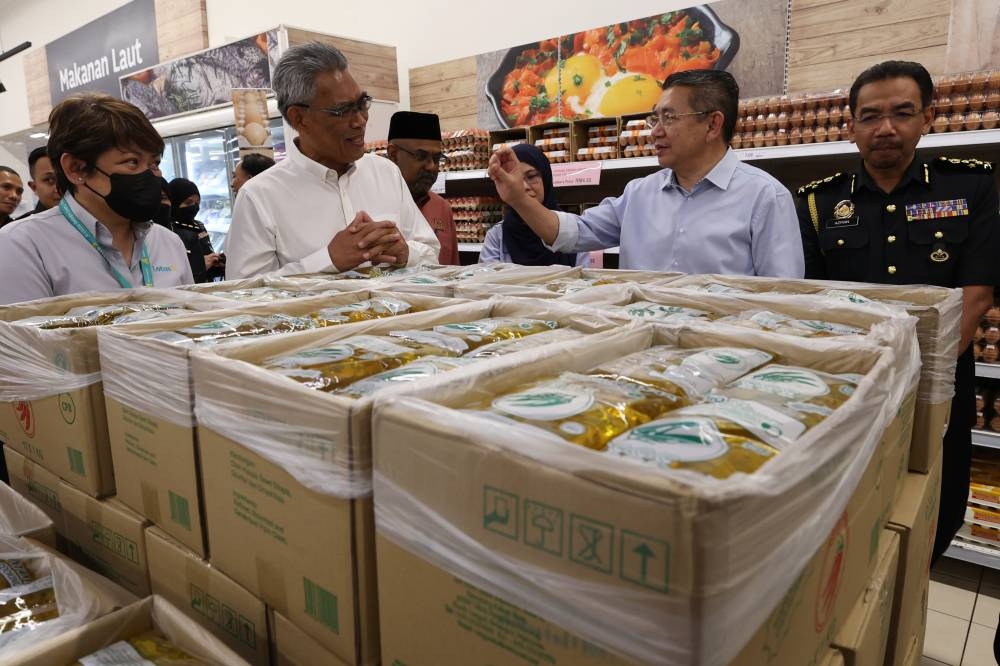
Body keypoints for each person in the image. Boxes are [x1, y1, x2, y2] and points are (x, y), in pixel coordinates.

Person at [796, 60, 1000, 569]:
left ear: (927, 118)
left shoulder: (969, 188)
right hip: (848, 384)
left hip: (937, 386)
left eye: (902, 112)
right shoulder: (820, 202)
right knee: (847, 499)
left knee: (937, 502)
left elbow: (975, 296)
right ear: (851, 126)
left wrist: (915, 374)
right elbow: (811, 301)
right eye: (869, 116)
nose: (885, 127)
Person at [487, 69, 803, 276]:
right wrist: (518, 197)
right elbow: (573, 233)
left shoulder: (764, 197)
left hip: (722, 356)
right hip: (642, 355)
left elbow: (782, 297)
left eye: (668, 118)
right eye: (655, 119)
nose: (655, 132)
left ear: (712, 124)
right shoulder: (639, 194)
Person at [226, 41, 439, 278]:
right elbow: (244, 294)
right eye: (342, 111)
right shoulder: (259, 197)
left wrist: (404, 252)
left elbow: (432, 253)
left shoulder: (386, 173)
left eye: (362, 104)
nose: (359, 121)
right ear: (299, 118)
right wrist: (328, 260)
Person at [0, 93, 193, 305]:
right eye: (132, 162)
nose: (150, 175)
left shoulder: (168, 242)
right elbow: (24, 337)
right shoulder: (23, 246)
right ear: (75, 169)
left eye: (154, 163)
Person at [479, 144, 576, 267]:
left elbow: (588, 280)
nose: (523, 187)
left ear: (545, 178)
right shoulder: (498, 236)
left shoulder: (573, 230)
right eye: (516, 180)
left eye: (531, 177)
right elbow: (485, 282)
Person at [386, 111, 459, 265]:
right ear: (393, 154)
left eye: (436, 158)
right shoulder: (373, 203)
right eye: (421, 156)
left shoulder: (441, 208)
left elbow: (453, 272)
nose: (431, 166)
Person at [167, 177, 223, 283]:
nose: (194, 207)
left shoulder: (199, 226)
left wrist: (218, 263)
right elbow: (169, 271)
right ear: (174, 203)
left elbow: (208, 255)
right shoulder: (168, 230)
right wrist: (200, 265)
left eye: (197, 203)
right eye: (188, 203)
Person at [15, 146, 61, 219]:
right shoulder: (21, 228)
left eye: (66, 179)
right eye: (50, 180)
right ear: (34, 187)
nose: (60, 188)